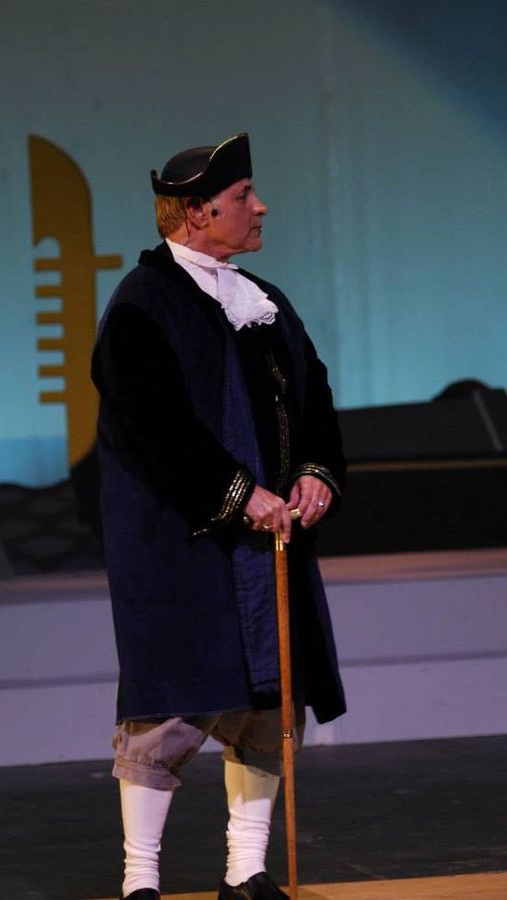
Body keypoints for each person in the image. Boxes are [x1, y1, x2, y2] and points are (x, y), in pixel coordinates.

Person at [91, 132, 346, 900]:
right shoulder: (144, 303)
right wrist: (237, 491)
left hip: (268, 542)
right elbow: (153, 425)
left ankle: (247, 868)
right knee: (172, 705)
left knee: (267, 705)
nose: (260, 206)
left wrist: (315, 473)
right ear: (198, 212)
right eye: (243, 196)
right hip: (185, 544)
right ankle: (141, 878)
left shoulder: (263, 302)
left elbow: (314, 397)